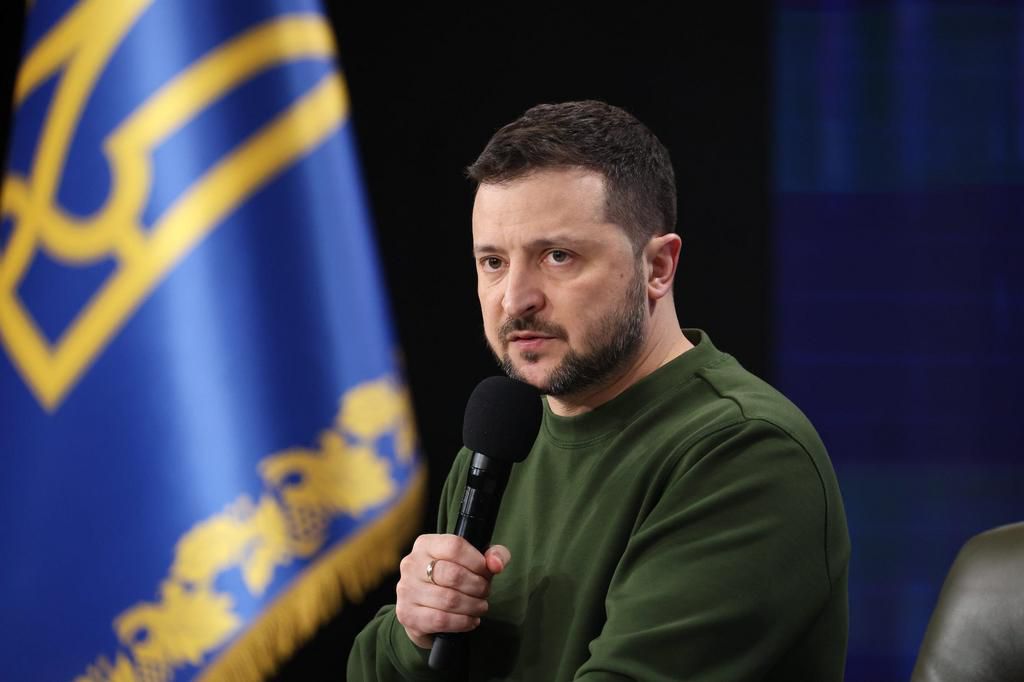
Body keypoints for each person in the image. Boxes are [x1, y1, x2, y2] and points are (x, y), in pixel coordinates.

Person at [348, 100, 850, 681]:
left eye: (557, 256)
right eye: (493, 262)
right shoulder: (498, 450)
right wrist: (414, 633)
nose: (515, 299)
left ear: (658, 267)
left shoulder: (746, 454)